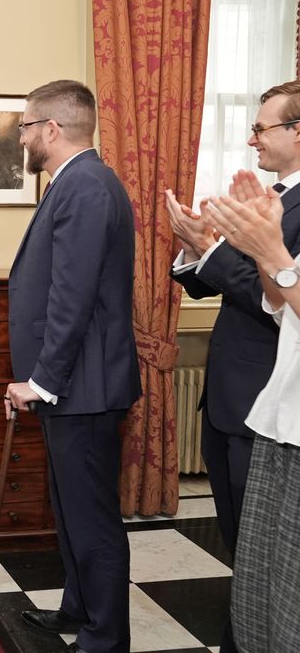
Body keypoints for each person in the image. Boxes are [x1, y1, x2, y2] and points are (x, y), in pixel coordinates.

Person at [5, 80, 141, 653]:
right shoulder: (76, 183)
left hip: (82, 387)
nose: (23, 138)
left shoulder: (84, 186)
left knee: (93, 521)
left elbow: (72, 296)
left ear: (51, 130)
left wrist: (40, 382)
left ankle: (104, 639)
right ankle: (79, 609)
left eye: (26, 128)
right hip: (75, 388)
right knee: (71, 510)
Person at [164, 80, 300, 653]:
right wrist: (198, 248)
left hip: (266, 403)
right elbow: (222, 286)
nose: (251, 140)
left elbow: (272, 303)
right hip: (231, 398)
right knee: (243, 549)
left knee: (263, 551)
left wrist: (224, 252)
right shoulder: (273, 198)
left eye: (261, 128)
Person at [201, 169, 300, 653]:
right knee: (261, 582)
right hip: (278, 419)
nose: (253, 141)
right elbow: (280, 304)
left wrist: (274, 252)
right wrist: (266, 247)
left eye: (264, 128)